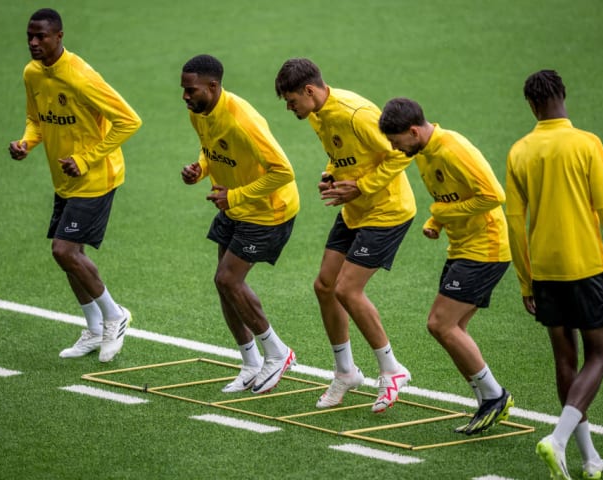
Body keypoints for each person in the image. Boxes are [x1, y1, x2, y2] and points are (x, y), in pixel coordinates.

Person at [506, 70, 603, 480]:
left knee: (565, 360)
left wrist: (525, 280)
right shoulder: (587, 143)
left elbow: (515, 222)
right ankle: (559, 440)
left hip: (545, 272)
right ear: (563, 96)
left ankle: (589, 459)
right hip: (585, 267)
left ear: (531, 105)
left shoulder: (519, 151)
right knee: (600, 356)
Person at [275, 58, 416, 413]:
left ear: (309, 91)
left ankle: (391, 369)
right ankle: (346, 372)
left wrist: (361, 187)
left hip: (387, 210)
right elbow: (343, 153)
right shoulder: (317, 114)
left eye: (292, 101)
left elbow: (401, 154)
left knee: (347, 289)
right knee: (325, 286)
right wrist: (331, 173)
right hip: (355, 209)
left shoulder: (356, 114)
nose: (290, 108)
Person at [8, 8, 141, 362]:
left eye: (41, 37)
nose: (34, 43)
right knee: (70, 257)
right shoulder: (32, 74)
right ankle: (94, 329)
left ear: (59, 37)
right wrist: (26, 142)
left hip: (96, 177)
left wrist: (85, 159)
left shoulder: (81, 76)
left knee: (64, 251)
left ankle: (116, 316)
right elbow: (36, 119)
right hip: (64, 178)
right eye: (29, 37)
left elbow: (129, 121)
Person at [379, 97, 514, 434]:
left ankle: (495, 396)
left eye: (397, 142)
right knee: (453, 330)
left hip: (486, 248)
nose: (396, 149)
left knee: (441, 324)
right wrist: (435, 222)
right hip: (462, 248)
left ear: (413, 131)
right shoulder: (422, 153)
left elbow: (493, 195)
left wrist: (442, 214)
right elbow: (447, 197)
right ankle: (486, 399)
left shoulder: (454, 149)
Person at [180, 54, 300, 395]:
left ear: (213, 86)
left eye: (191, 90)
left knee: (228, 279)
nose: (185, 97)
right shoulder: (199, 112)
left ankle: (277, 353)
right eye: (184, 90)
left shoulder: (243, 119)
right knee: (224, 284)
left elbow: (283, 171)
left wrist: (235, 196)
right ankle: (249, 362)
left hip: (268, 209)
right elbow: (211, 149)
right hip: (234, 204)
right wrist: (200, 169)